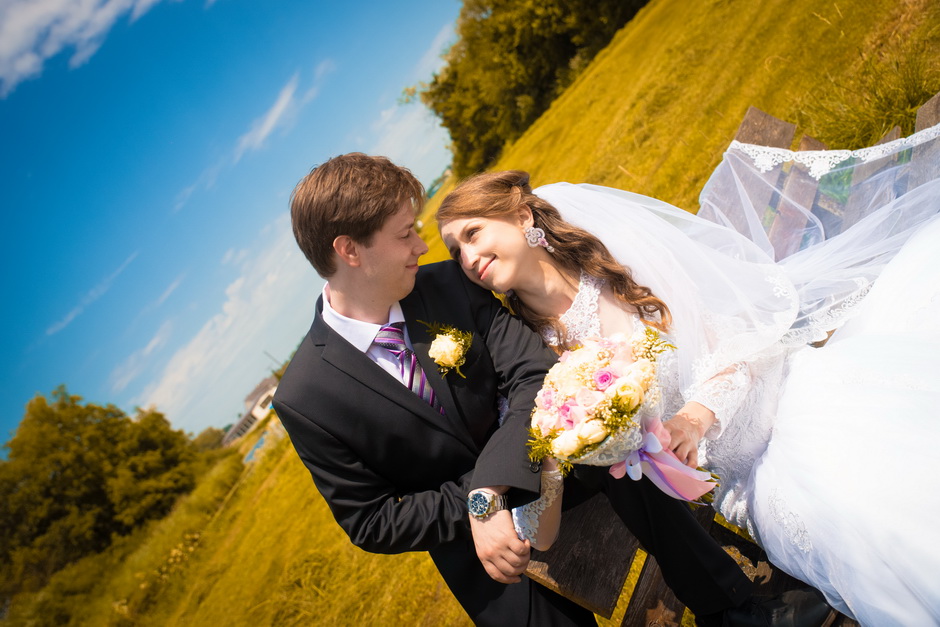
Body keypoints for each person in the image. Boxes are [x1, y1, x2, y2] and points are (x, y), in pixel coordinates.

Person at [273, 152, 831, 626]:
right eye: (404, 234)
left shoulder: (443, 288)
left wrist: (491, 485)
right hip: (471, 540)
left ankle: (735, 609)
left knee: (613, 440)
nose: (422, 246)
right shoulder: (306, 396)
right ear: (350, 251)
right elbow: (370, 520)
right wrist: (475, 510)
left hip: (545, 457)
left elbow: (535, 375)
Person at [436, 121, 940, 626]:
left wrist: (696, 418)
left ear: (523, 215)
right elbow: (540, 531)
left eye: (473, 233)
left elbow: (748, 339)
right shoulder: (526, 351)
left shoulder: (612, 259)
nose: (468, 257)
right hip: (744, 486)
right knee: (855, 529)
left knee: (884, 490)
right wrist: (550, 460)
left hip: (788, 401)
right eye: (455, 250)